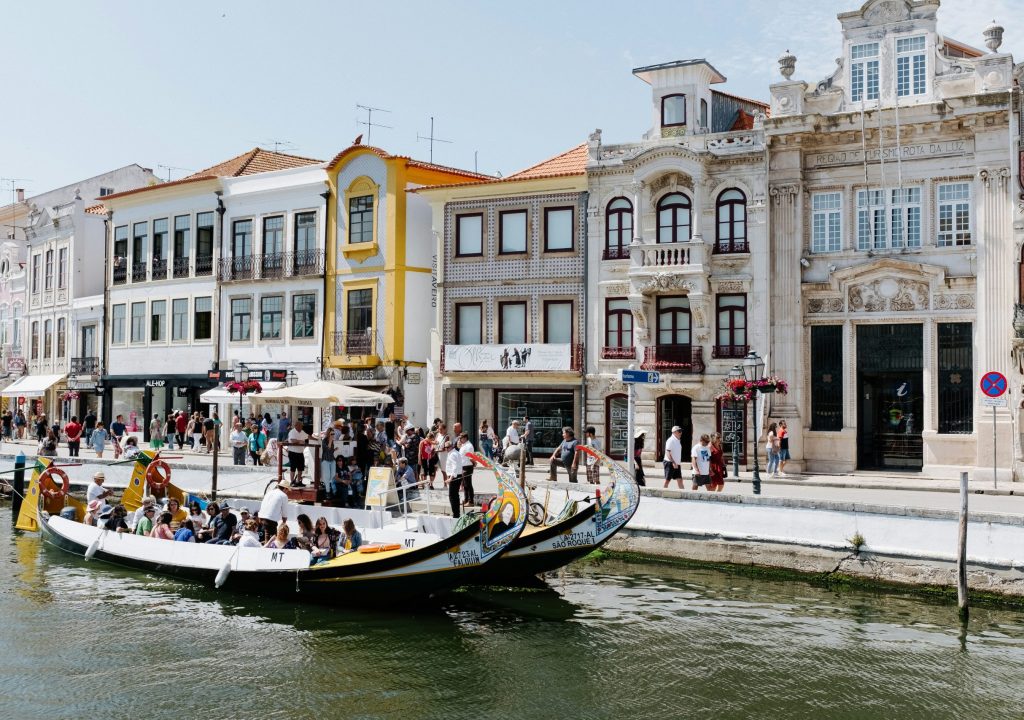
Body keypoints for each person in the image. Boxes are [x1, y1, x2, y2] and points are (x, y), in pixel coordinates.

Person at [444, 440, 464, 518]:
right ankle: (456, 513)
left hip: (454, 477)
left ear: (451, 446)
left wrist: (450, 479)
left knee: (452, 496)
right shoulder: (456, 453)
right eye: (445, 447)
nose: (446, 449)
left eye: (447, 447)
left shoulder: (452, 454)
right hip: (457, 476)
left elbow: (455, 467)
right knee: (455, 495)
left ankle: (455, 514)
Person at [287, 421, 309, 485]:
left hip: (300, 452)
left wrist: (316, 439)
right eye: (299, 426)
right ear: (296, 426)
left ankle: (299, 481)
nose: (301, 427)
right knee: (293, 468)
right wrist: (300, 441)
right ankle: (292, 482)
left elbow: (308, 436)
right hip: (293, 452)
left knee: (301, 468)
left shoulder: (302, 432)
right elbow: (292, 440)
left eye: (301, 426)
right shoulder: (292, 432)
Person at [663, 425, 684, 489]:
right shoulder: (670, 440)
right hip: (670, 463)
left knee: (680, 479)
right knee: (667, 480)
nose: (681, 433)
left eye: (681, 431)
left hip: (676, 463)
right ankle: (663, 492)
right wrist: (673, 462)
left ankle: (683, 493)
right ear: (674, 432)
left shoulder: (677, 440)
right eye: (679, 431)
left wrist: (676, 463)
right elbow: (667, 452)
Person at [458, 431, 476, 507]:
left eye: (460, 438)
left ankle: (470, 501)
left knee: (468, 484)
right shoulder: (464, 445)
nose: (459, 440)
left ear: (464, 438)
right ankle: (466, 499)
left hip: (467, 466)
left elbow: (471, 457)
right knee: (465, 484)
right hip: (463, 466)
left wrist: (474, 463)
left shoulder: (469, 446)